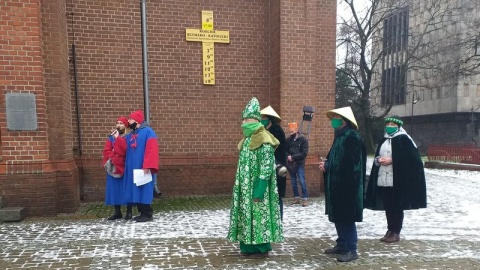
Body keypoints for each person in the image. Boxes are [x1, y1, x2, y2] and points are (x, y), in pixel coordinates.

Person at [227, 97, 284, 258]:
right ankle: (247, 246)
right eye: (244, 119)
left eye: (249, 119)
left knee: (259, 216)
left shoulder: (264, 140)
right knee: (246, 215)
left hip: (258, 188)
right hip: (244, 187)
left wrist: (259, 190)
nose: (245, 123)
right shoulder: (246, 140)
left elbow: (266, 168)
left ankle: (261, 248)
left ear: (257, 121)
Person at [364, 115, 427, 243]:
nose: (390, 127)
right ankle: (390, 229)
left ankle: (396, 232)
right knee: (388, 206)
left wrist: (392, 160)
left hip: (397, 180)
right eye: (388, 124)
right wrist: (378, 160)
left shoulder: (404, 139)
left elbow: (413, 160)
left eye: (393, 125)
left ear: (398, 126)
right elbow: (377, 156)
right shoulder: (384, 140)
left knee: (397, 206)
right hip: (383, 178)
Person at [319, 106, 366, 263]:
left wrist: (329, 166)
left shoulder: (351, 136)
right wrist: (328, 163)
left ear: (344, 121)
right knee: (339, 216)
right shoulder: (340, 136)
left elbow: (349, 163)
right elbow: (337, 158)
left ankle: (351, 249)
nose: (333, 121)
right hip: (338, 185)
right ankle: (342, 244)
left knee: (346, 217)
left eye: (336, 118)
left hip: (348, 186)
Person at [123, 110, 159, 222]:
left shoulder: (148, 132)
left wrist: (148, 165)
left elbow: (152, 150)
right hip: (134, 168)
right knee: (137, 189)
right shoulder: (133, 134)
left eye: (130, 119)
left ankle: (147, 213)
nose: (128, 121)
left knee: (144, 189)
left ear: (137, 120)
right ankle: (142, 212)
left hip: (143, 168)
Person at [260, 105, 287, 220]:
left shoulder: (276, 131)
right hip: (268, 166)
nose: (262, 119)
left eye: (264, 117)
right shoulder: (265, 130)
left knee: (277, 195)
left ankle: (278, 220)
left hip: (277, 167)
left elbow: (278, 150)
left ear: (269, 119)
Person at [102, 116, 131, 220]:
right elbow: (107, 150)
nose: (118, 125)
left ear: (125, 125)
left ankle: (129, 211)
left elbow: (124, 150)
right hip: (114, 166)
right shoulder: (111, 138)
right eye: (117, 123)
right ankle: (117, 211)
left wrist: (118, 139)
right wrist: (113, 156)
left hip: (125, 167)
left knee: (126, 189)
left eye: (121, 123)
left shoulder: (129, 137)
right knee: (114, 189)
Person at [286, 122, 309, 207]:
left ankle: (305, 198)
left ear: (296, 131)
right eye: (290, 132)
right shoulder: (288, 140)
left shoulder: (303, 140)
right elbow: (285, 150)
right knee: (293, 182)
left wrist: (293, 157)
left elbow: (304, 153)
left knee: (302, 180)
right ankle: (296, 198)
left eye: (292, 132)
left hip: (299, 163)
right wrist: (288, 156)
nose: (291, 133)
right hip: (291, 164)